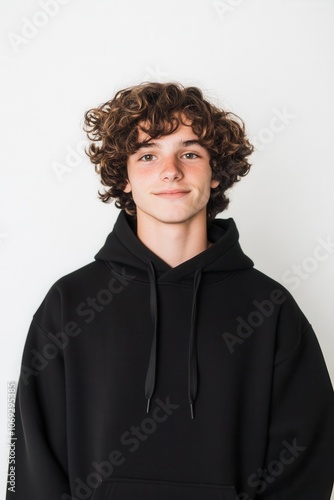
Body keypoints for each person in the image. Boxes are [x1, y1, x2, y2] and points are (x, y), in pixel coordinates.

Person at [6, 82, 334, 500]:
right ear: (123, 178)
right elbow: (35, 458)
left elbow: (307, 457)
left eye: (190, 153)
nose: (171, 171)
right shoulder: (70, 303)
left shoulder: (269, 308)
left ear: (216, 174)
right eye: (148, 155)